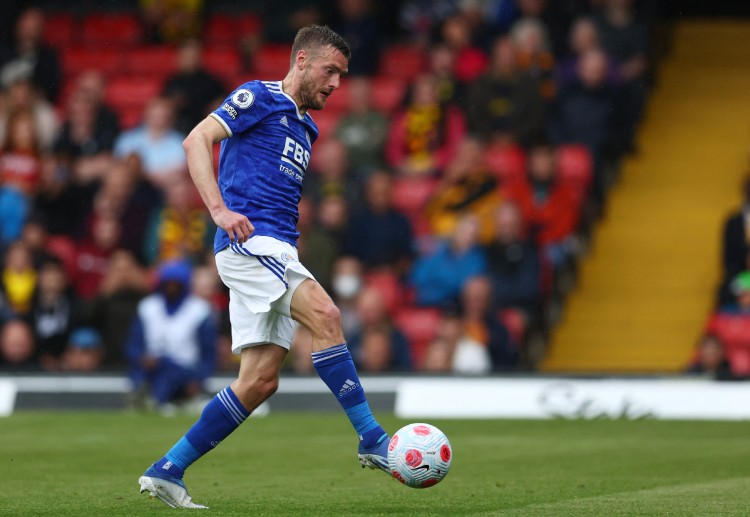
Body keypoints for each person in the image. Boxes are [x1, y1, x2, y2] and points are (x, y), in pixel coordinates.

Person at [138, 26, 391, 509]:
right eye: (329, 71)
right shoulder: (258, 97)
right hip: (250, 244)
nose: (336, 83)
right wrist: (217, 210)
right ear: (300, 61)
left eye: (342, 75)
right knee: (328, 316)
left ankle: (167, 469)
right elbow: (196, 140)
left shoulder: (307, 127)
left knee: (259, 381)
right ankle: (373, 439)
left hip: (279, 250)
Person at [125, 259, 217, 411]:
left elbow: (208, 352)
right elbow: (133, 343)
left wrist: (199, 380)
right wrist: (141, 358)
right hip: (151, 367)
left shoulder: (199, 310)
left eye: (176, 285)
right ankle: (145, 396)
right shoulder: (147, 307)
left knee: (171, 373)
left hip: (184, 369)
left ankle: (156, 401)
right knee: (143, 373)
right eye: (168, 284)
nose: (171, 289)